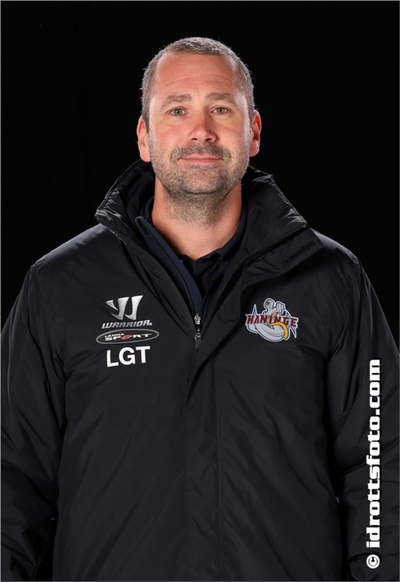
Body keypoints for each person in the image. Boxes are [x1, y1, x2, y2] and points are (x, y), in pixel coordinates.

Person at [1, 36, 398, 582]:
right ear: (145, 137)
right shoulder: (60, 286)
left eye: (221, 108)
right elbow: (10, 472)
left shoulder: (331, 279)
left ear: (253, 131)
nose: (201, 131)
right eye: (177, 109)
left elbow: (381, 461)